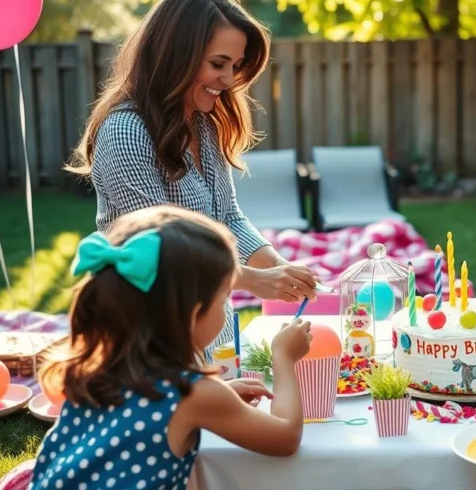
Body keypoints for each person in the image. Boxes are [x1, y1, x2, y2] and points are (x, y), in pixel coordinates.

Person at [66, 0, 316, 361]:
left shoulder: (202, 124)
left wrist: (280, 268)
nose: (230, 80)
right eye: (218, 64)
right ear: (174, 55)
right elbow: (164, 250)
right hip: (152, 338)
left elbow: (227, 216)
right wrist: (255, 282)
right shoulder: (126, 132)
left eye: (234, 66)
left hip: (207, 326)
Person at [31, 206, 311, 490]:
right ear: (193, 316)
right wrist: (283, 357)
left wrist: (221, 394)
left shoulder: (94, 367)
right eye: (223, 297)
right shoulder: (194, 394)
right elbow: (286, 437)